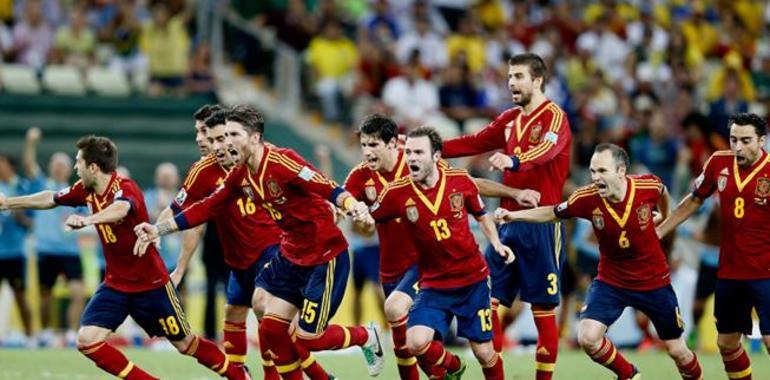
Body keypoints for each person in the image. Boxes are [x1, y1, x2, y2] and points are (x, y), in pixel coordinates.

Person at [135, 104, 384, 380]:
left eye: (232, 135)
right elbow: (207, 207)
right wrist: (160, 228)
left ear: (254, 137)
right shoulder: (239, 174)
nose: (227, 142)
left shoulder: (282, 161)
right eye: (223, 135)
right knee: (270, 329)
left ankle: (365, 335)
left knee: (308, 338)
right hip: (289, 257)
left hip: (324, 257)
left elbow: (327, 186)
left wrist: (353, 205)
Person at [0, 135, 250, 380]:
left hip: (151, 285)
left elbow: (120, 209)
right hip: (116, 285)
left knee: (185, 343)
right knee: (87, 341)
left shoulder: (126, 188)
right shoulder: (85, 190)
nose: (76, 167)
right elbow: (51, 198)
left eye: (79, 162)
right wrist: (9, 203)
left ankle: (238, 375)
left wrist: (87, 220)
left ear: (93, 167)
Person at [344, 114, 537, 379]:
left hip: (432, 269)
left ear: (392, 145)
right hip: (397, 269)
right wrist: (350, 214)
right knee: (411, 346)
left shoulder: (427, 166)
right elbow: (356, 211)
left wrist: (514, 195)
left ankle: (448, 365)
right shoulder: (373, 182)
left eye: (373, 144)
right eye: (363, 145)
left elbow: (470, 189)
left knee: (476, 349)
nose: (366, 151)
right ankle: (450, 369)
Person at [496, 143, 704, 380]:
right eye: (593, 171)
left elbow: (663, 192)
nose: (596, 178)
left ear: (621, 170)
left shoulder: (647, 185)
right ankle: (629, 375)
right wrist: (514, 215)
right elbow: (552, 212)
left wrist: (663, 219)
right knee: (588, 337)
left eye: (602, 171)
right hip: (611, 281)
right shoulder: (586, 198)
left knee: (677, 350)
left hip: (653, 281)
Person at [441, 52, 571, 380]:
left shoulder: (554, 116)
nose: (512, 82)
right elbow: (475, 141)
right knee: (488, 306)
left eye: (519, 76)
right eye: (510, 76)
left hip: (542, 223)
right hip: (505, 223)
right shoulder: (510, 118)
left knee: (542, 311)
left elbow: (548, 151)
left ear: (538, 80)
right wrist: (431, 148)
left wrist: (514, 161)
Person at [657, 112, 770, 380]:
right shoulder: (718, 163)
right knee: (726, 344)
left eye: (746, 140)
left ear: (762, 141)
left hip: (765, 273)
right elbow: (694, 200)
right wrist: (661, 230)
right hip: (730, 272)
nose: (738, 147)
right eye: (733, 140)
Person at [22, 127, 86, 348]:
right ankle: (47, 332)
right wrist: (31, 143)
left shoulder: (78, 192)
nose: (59, 168)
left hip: (70, 251)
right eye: (55, 164)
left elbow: (89, 220)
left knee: (78, 292)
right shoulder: (43, 186)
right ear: (50, 168)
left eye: (63, 165)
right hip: (45, 250)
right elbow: (29, 165)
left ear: (70, 169)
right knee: (45, 297)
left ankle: (71, 333)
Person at [0, 153, 33, 345]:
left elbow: (29, 221)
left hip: (15, 252)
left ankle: (30, 337)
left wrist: (16, 211)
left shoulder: (21, 186)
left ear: (9, 166)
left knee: (20, 297)